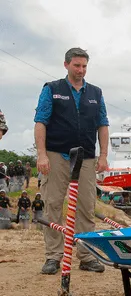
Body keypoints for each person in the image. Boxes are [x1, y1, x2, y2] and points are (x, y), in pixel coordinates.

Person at [34, 47, 109, 275]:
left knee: (86, 206)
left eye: (84, 66)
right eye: (77, 65)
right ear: (66, 65)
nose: (81, 70)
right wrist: (41, 154)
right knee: (53, 205)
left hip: (86, 157)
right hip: (56, 155)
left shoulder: (96, 92)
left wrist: (103, 155)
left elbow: (103, 124)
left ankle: (86, 256)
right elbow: (40, 122)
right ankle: (53, 257)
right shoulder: (52, 89)